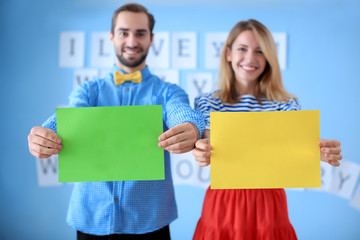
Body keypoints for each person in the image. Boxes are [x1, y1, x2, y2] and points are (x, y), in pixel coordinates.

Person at [27, 3, 205, 239]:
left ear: (152, 39)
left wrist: (192, 127)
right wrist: (43, 135)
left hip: (151, 220)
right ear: (111, 37)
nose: (132, 41)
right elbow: (71, 115)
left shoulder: (168, 92)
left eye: (140, 33)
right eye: (124, 32)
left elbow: (180, 111)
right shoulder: (88, 91)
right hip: (91, 218)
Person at [191, 19, 342, 240]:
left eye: (260, 51)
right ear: (228, 53)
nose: (250, 58)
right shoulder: (207, 102)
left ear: (269, 58)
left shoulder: (285, 103)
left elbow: (295, 146)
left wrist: (320, 151)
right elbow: (209, 145)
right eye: (242, 49)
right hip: (222, 202)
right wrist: (201, 149)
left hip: (269, 203)